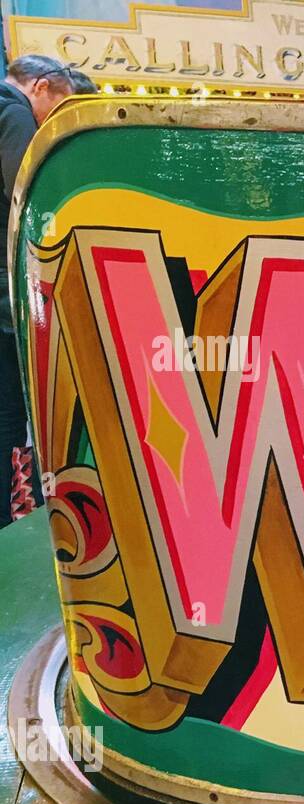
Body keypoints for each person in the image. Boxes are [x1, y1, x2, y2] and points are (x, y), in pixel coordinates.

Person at [0, 56, 96, 526]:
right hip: (4, 294)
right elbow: (29, 191)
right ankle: (13, 514)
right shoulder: (10, 107)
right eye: (55, 112)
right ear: (40, 86)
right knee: (11, 410)